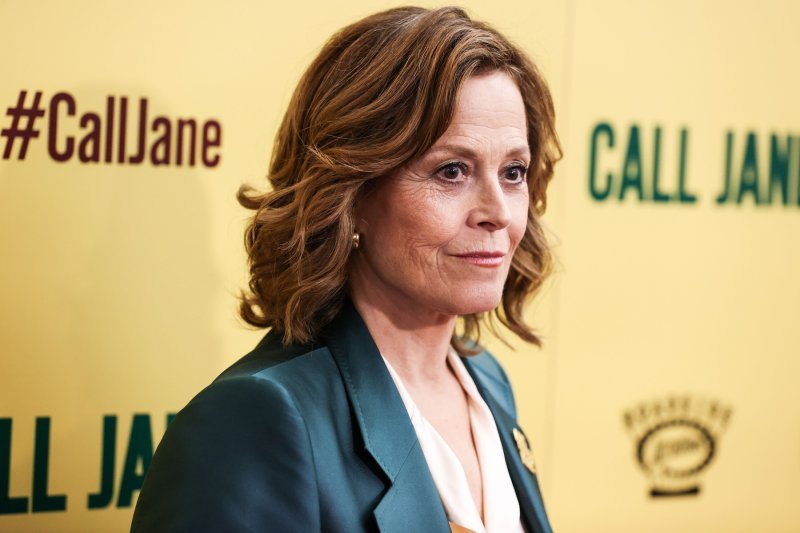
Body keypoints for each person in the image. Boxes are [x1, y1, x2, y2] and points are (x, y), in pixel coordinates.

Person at [131, 5, 561, 533]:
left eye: (513, 172)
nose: (498, 212)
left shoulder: (487, 381)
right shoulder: (256, 420)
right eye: (451, 171)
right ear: (351, 193)